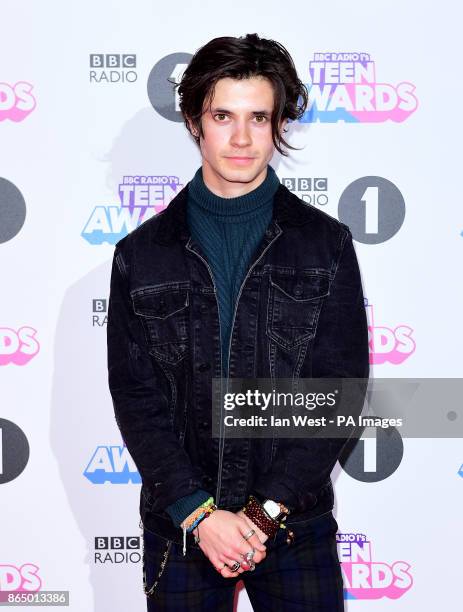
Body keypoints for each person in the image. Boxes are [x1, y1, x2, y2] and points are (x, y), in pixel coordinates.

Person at [107, 33, 369, 611]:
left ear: (280, 124)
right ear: (194, 119)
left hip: (293, 522)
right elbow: (136, 398)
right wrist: (200, 515)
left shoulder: (325, 244)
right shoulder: (140, 254)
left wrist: (258, 514)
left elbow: (339, 391)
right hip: (181, 524)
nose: (243, 138)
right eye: (224, 115)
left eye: (259, 117)